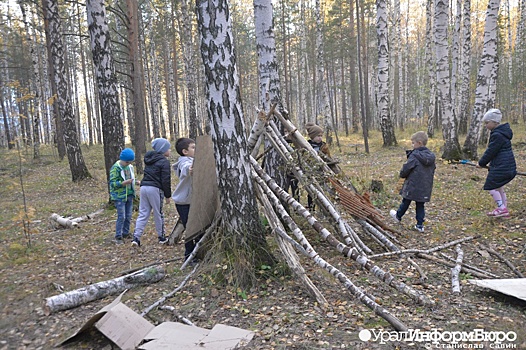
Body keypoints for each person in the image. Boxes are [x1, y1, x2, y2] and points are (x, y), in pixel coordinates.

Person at [390, 131, 436, 233]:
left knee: (406, 201)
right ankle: (419, 225)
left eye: (413, 143)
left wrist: (402, 174)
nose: (412, 145)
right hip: (425, 186)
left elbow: (406, 169)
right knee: (420, 205)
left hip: (413, 185)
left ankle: (398, 216)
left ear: (419, 143)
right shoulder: (431, 156)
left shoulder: (415, 155)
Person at [476, 108, 516, 218]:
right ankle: (504, 210)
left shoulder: (497, 135)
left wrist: (481, 163)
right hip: (506, 165)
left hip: (502, 167)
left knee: (491, 187)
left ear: (494, 122)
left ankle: (502, 208)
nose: (486, 125)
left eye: (487, 123)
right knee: (499, 187)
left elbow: (491, 151)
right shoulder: (502, 133)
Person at [132, 138, 172, 247]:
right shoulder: (164, 162)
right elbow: (165, 180)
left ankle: (136, 237)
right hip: (155, 189)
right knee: (158, 213)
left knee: (143, 213)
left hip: (144, 187)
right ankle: (162, 237)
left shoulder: (149, 159)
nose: (170, 150)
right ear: (163, 150)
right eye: (168, 148)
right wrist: (168, 195)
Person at [171, 137, 197, 263]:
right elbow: (186, 168)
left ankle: (196, 252)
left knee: (196, 227)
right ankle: (189, 256)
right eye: (193, 147)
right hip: (183, 203)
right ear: (185, 151)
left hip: (192, 201)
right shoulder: (184, 161)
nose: (196, 149)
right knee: (191, 228)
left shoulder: (194, 159)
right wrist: (190, 169)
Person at [109, 148, 139, 245]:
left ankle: (125, 232)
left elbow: (132, 178)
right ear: (122, 159)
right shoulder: (116, 168)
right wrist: (122, 183)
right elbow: (112, 183)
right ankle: (118, 235)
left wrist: (136, 182)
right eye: (127, 162)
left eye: (130, 162)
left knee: (128, 215)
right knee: (121, 216)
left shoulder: (130, 167)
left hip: (129, 194)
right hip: (119, 196)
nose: (128, 164)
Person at [305, 122, 334, 210]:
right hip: (310, 171)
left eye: (321, 136)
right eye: (318, 136)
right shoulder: (307, 146)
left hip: (321, 171)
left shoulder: (324, 146)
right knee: (311, 190)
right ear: (312, 136)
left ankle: (323, 207)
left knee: (322, 190)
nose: (320, 138)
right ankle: (311, 207)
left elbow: (328, 158)